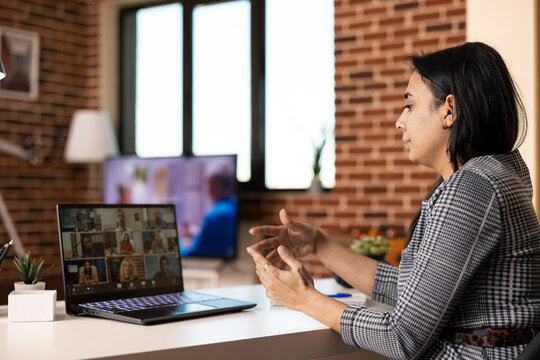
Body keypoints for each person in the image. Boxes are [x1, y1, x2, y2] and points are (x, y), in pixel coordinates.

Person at [247, 42, 540, 359]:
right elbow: (415, 290)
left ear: (449, 110)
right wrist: (319, 244)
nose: (400, 121)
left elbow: (402, 336)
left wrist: (303, 298)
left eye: (410, 106)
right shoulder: (496, 173)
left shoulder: (470, 189)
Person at [182, 168, 237, 257]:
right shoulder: (233, 206)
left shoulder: (215, 215)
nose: (208, 190)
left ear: (215, 186)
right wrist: (198, 233)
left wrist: (179, 243)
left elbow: (195, 253)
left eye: (209, 185)